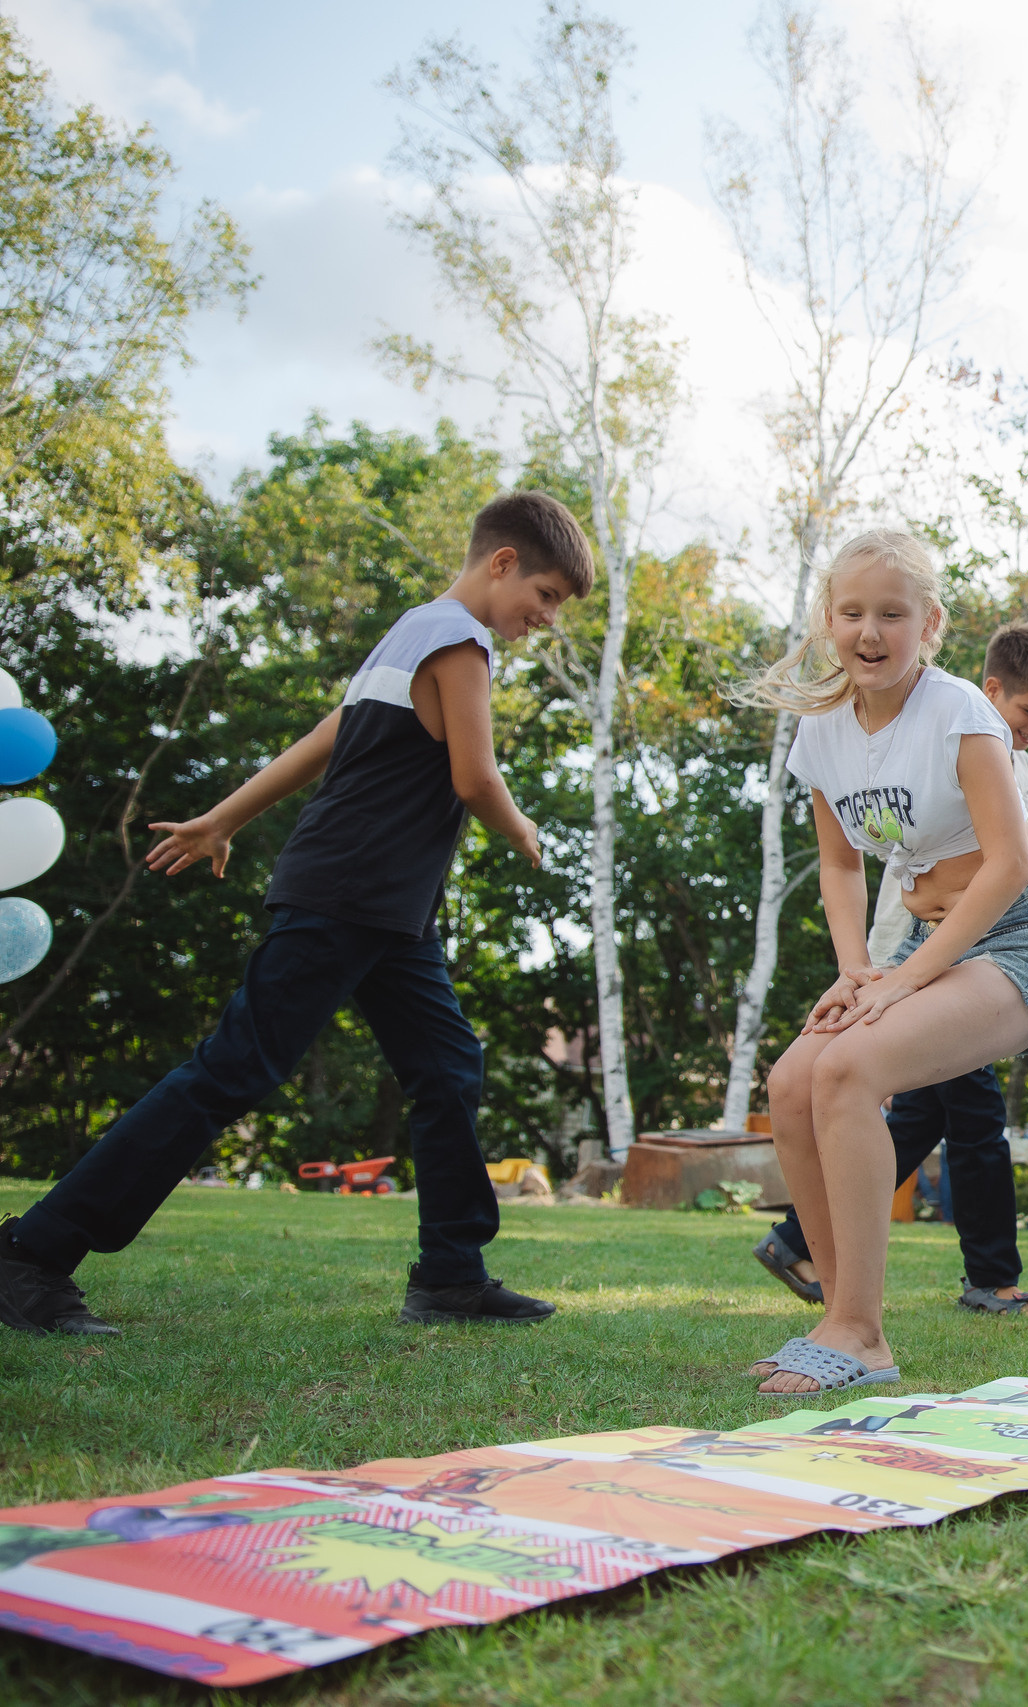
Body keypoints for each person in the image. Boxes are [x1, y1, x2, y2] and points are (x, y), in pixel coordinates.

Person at [0, 492, 593, 1334]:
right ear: (503, 563)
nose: (548, 616)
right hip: (349, 892)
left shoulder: (411, 629)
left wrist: (224, 818)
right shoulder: (461, 642)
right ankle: (32, 1252)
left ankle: (451, 1276)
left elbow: (326, 736)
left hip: (389, 910)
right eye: (547, 595)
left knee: (447, 1068)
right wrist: (522, 826)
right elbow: (475, 777)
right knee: (233, 1069)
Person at [743, 532, 1028, 1396]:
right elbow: (840, 865)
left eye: (892, 613)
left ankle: (861, 1332)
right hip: (915, 943)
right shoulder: (822, 732)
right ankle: (838, 1312)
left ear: (928, 624)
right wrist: (857, 970)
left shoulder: (959, 710)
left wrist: (902, 978)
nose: (870, 631)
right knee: (792, 1079)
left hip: (1022, 937)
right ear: (829, 620)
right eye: (852, 612)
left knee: (848, 1068)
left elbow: (1012, 863)